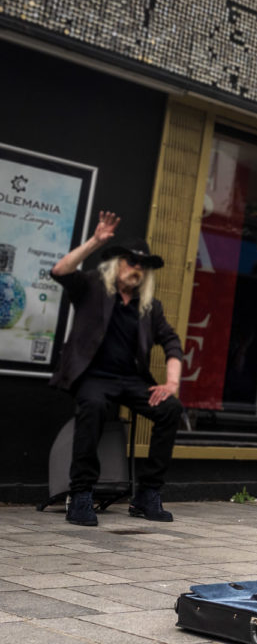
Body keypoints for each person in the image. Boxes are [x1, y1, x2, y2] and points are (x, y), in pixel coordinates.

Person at [50, 211, 184, 526]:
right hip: (93, 377)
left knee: (170, 409)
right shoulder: (92, 287)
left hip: (131, 380)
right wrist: (96, 241)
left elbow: (172, 342)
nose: (136, 268)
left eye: (143, 265)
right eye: (131, 261)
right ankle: (81, 492)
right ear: (117, 263)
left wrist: (171, 383)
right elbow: (60, 271)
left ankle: (147, 494)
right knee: (94, 405)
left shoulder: (150, 306)